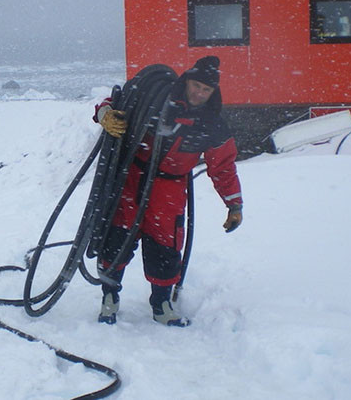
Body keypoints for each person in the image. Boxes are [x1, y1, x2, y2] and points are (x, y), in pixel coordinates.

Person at [93, 56, 243, 327]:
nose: (199, 93)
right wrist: (104, 113)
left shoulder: (212, 125)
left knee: (166, 245)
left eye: (206, 89)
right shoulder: (154, 99)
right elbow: (119, 102)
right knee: (116, 237)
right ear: (187, 81)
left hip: (169, 190)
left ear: (213, 92)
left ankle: (161, 304)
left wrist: (234, 204)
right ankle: (109, 297)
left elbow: (223, 166)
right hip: (132, 178)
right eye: (196, 85)